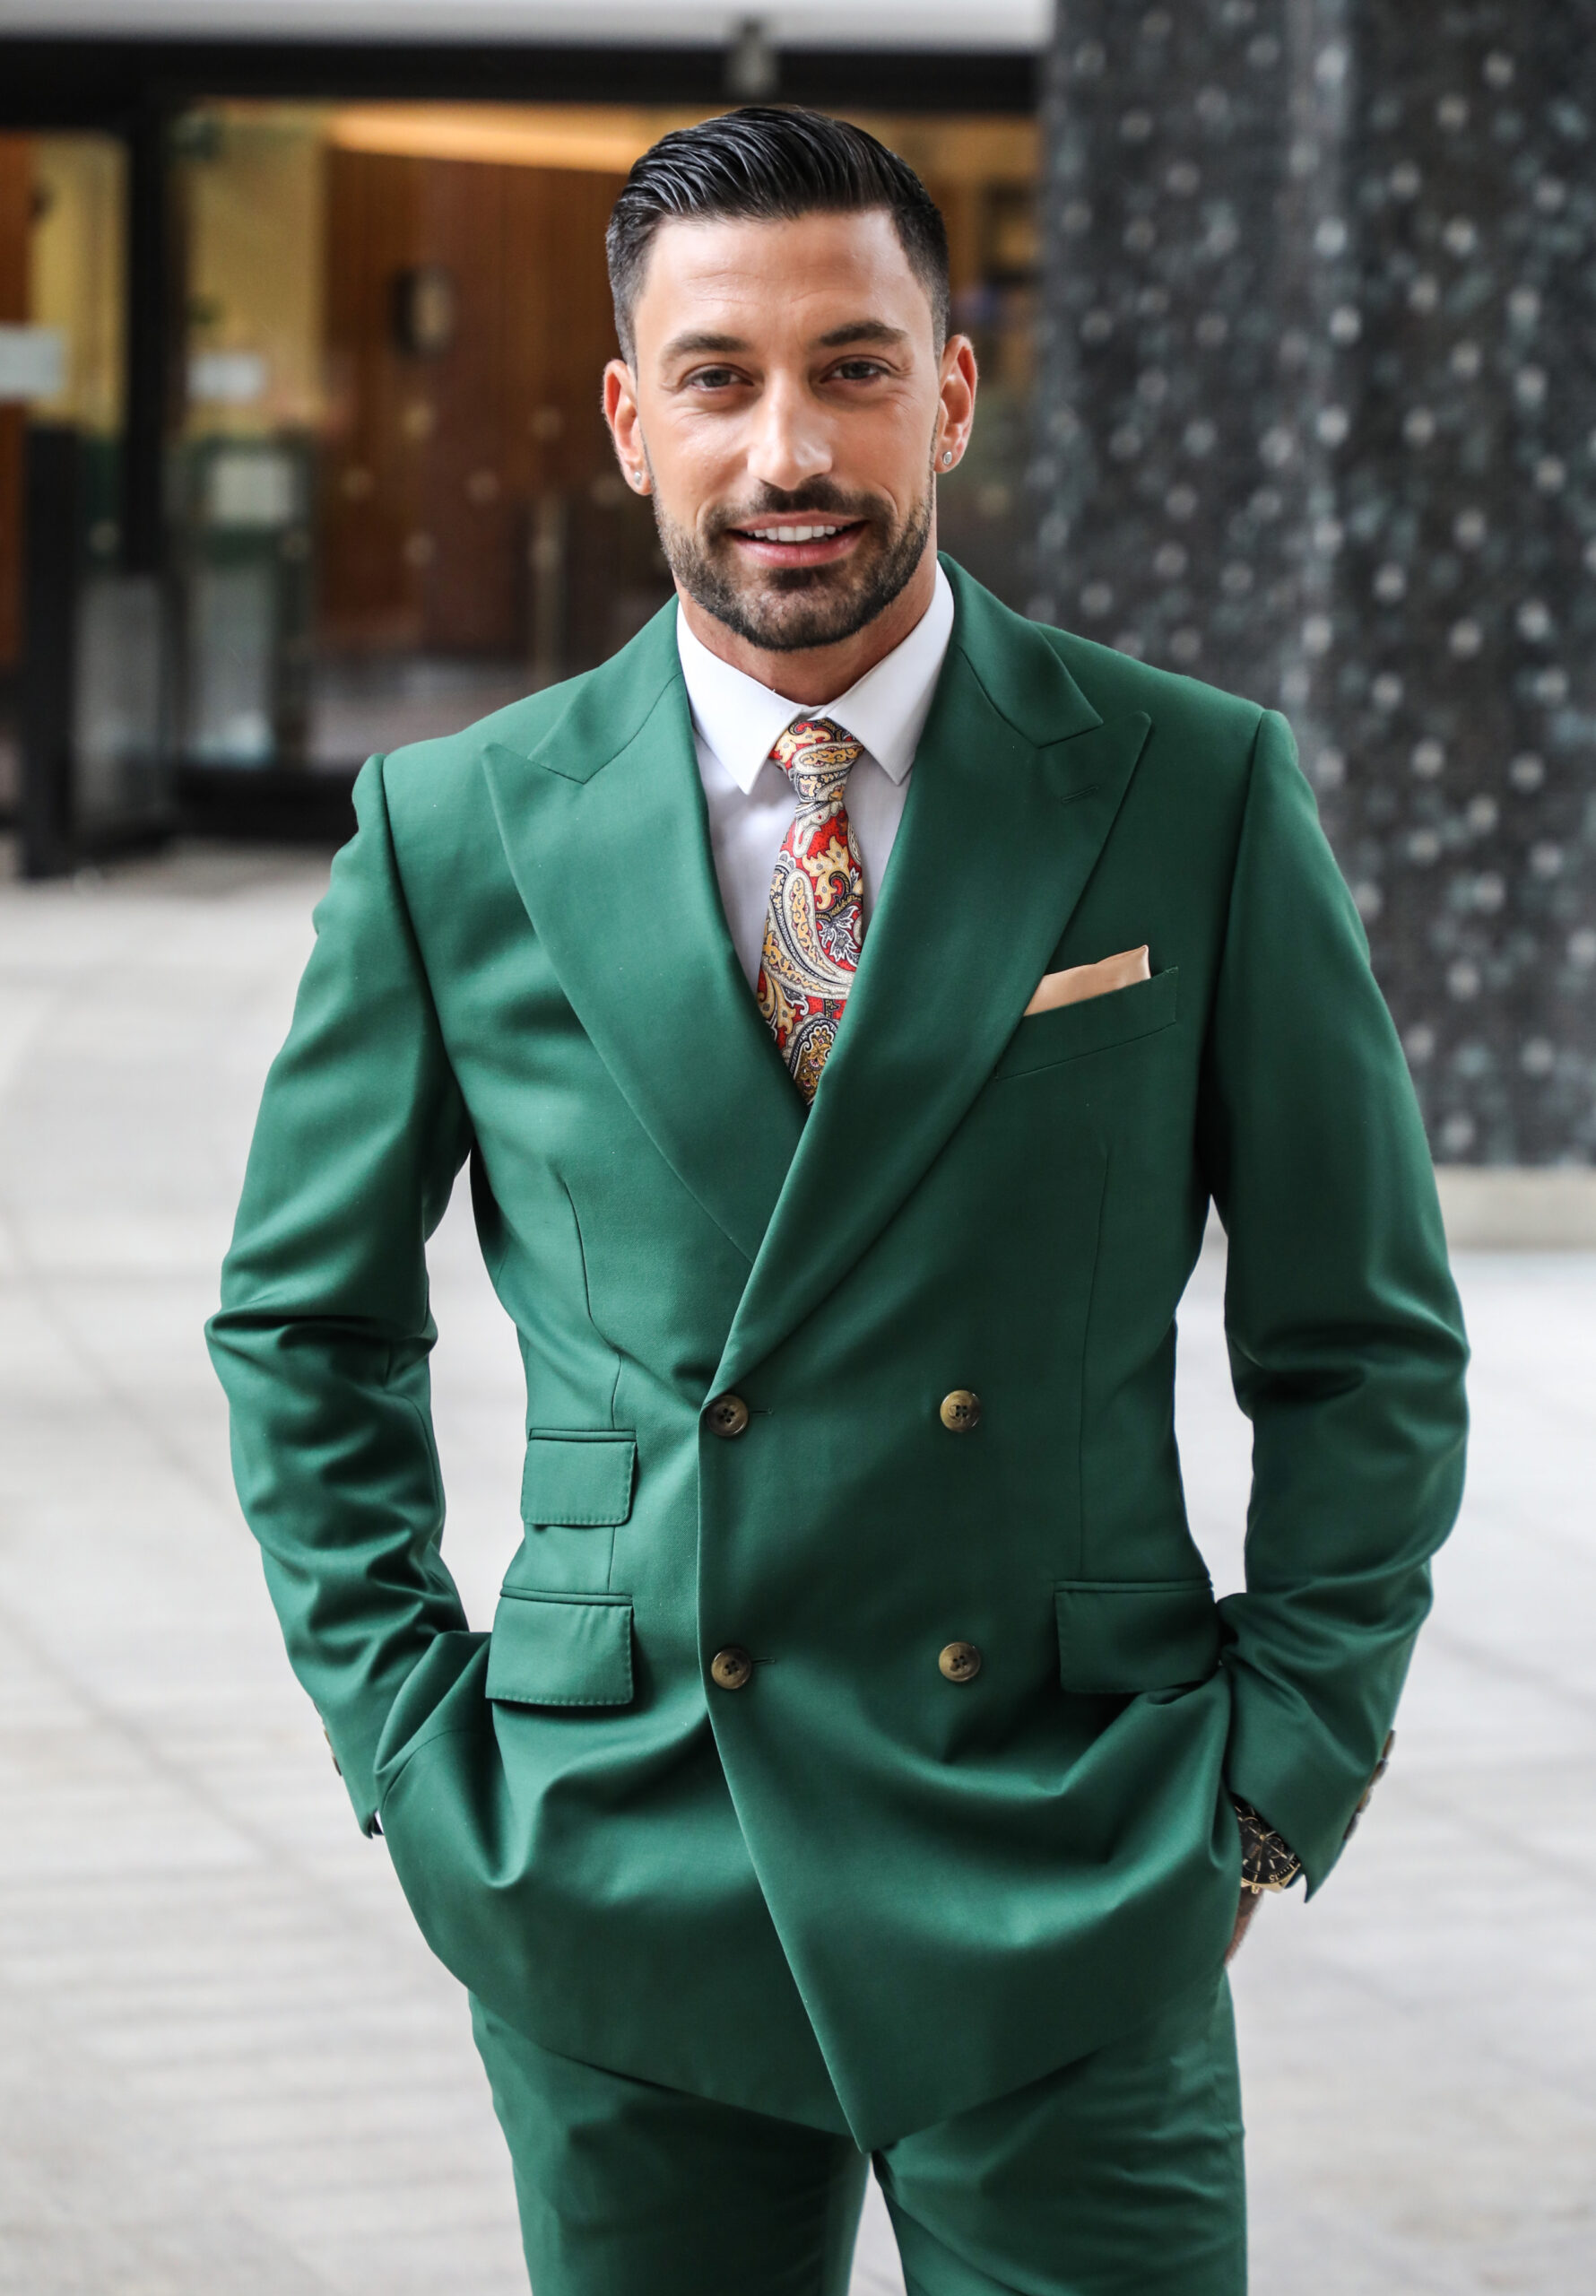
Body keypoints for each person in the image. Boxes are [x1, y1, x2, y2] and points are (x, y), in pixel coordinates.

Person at [208, 106, 1468, 2296]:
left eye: (854, 367)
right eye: (717, 377)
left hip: (1067, 1845)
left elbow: (1360, 1335)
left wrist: (1280, 1769)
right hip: (612, 1851)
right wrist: (417, 1754)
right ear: (626, 419)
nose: (788, 445)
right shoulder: (451, 830)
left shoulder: (1188, 785)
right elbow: (302, 1326)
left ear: (951, 390)